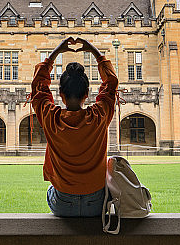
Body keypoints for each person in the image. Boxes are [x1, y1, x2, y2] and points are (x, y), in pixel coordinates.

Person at [30, 36, 119, 217]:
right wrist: (95, 52)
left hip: (63, 202)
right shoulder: (99, 116)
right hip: (96, 202)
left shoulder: (51, 117)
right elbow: (111, 85)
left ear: (60, 93)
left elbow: (38, 88)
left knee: (50, 191)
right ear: (87, 93)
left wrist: (54, 54)